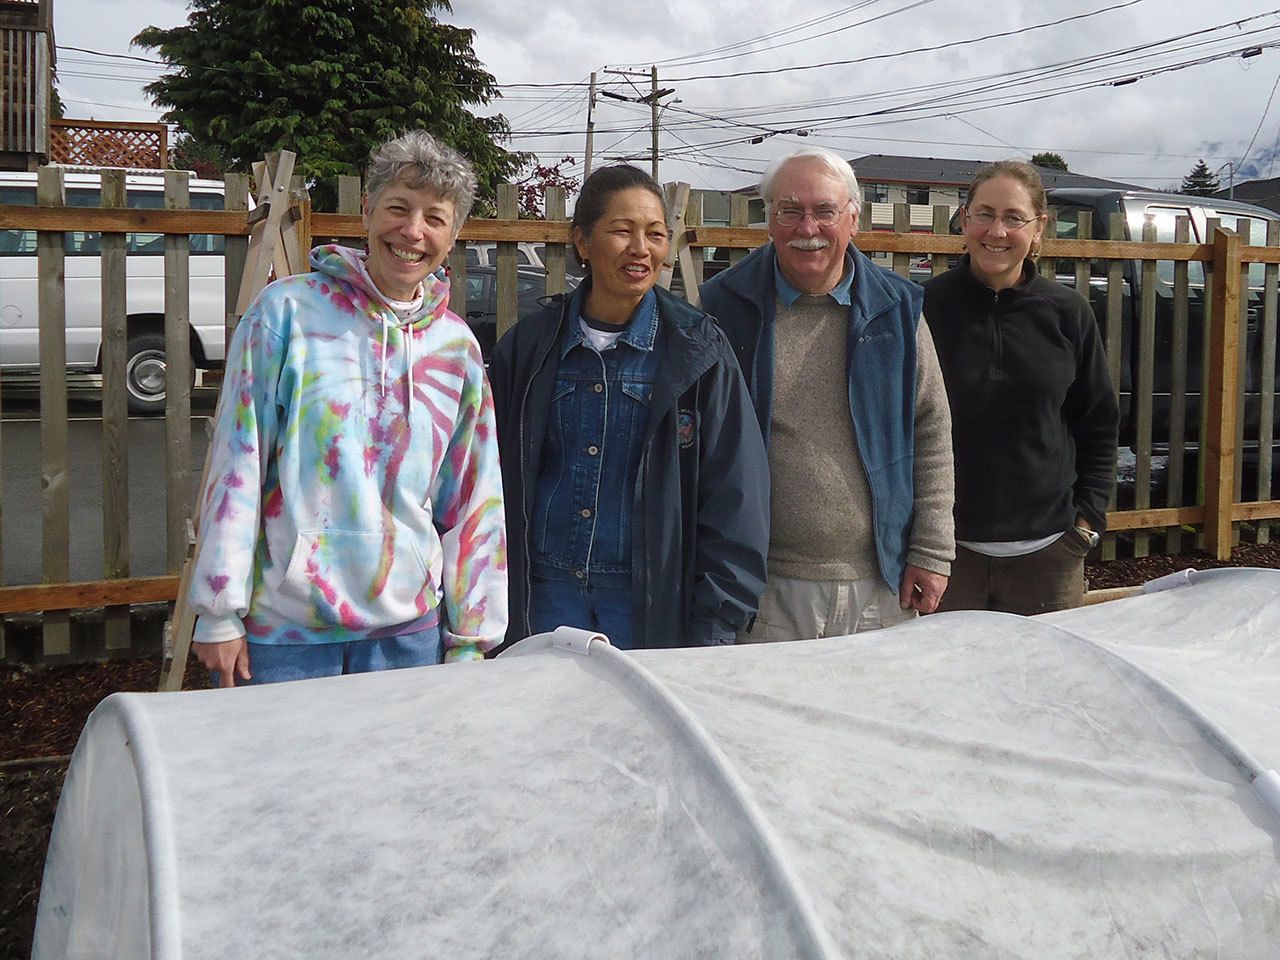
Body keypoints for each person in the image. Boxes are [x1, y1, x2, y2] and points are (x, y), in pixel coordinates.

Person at [188, 130, 507, 686]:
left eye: (435, 218)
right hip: (282, 637)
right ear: (367, 210)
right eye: (398, 208)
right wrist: (218, 612)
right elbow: (238, 461)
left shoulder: (456, 347)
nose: (413, 231)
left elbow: (474, 496)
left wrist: (472, 640)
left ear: (453, 235)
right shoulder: (286, 314)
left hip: (408, 637)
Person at [490, 164, 768, 650]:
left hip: (647, 602)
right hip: (543, 596)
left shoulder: (697, 350)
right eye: (622, 230)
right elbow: (487, 479)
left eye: (655, 234)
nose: (641, 248)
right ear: (582, 241)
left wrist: (719, 618)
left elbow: (736, 493)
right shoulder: (530, 348)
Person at [699, 147, 954, 641]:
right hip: (763, 587)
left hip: (883, 582)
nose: (807, 228)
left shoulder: (896, 309)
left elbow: (932, 430)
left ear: (853, 219)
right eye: (789, 211)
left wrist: (931, 552)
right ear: (769, 220)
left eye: (825, 211)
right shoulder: (723, 308)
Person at [923, 160, 1118, 614]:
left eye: (1014, 218)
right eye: (985, 214)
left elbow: (1098, 423)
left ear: (1038, 228)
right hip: (946, 557)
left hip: (1049, 556)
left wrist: (1087, 521)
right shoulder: (923, 309)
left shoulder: (1067, 312)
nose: (998, 231)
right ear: (965, 219)